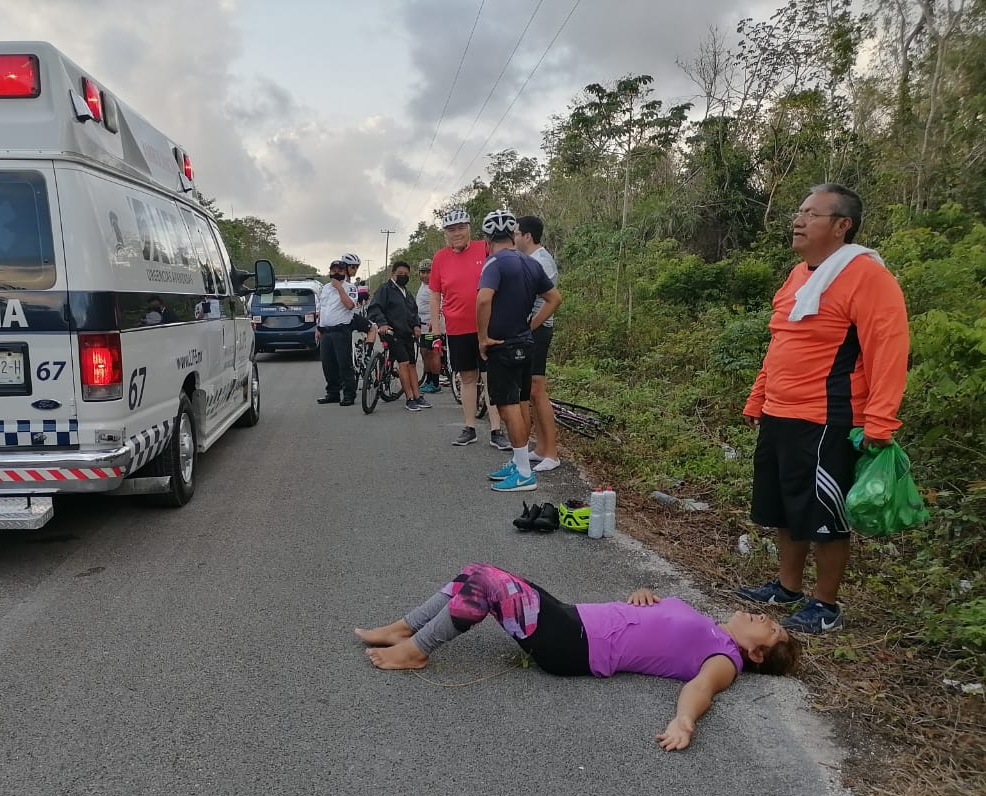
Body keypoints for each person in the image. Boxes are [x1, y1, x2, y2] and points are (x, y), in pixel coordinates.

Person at [356, 563, 800, 751]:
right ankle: (404, 627)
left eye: (771, 627)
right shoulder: (709, 626)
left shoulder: (726, 658)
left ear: (757, 654)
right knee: (477, 571)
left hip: (575, 646)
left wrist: (684, 722)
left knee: (490, 586)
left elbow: (701, 687)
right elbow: (662, 624)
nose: (764, 617)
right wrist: (647, 597)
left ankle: (414, 652)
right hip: (574, 618)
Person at [738, 183, 911, 634]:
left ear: (841, 225)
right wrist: (760, 395)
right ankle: (787, 587)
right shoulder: (800, 275)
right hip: (781, 412)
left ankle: (825, 604)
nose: (798, 220)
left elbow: (888, 350)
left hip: (828, 419)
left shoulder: (868, 276)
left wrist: (880, 420)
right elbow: (781, 340)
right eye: (799, 211)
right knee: (783, 506)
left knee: (824, 514)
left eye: (810, 213)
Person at [476, 209, 561, 493]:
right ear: (512, 235)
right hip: (526, 342)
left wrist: (483, 338)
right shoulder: (531, 263)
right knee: (521, 401)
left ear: (488, 239)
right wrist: (532, 324)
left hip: (503, 344)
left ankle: (524, 473)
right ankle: (518, 461)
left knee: (507, 406)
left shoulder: (494, 263)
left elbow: (483, 300)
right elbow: (554, 298)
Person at [428, 209, 508, 449]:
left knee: (490, 376)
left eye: (461, 228)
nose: (456, 234)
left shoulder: (484, 247)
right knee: (467, 377)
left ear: (469, 229)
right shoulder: (440, 258)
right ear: (445, 234)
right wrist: (436, 330)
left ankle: (496, 430)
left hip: (488, 325)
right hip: (456, 327)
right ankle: (469, 427)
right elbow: (435, 296)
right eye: (451, 230)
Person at [513, 215, 563, 472]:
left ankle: (552, 453)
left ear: (527, 236)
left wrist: (531, 325)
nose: (514, 237)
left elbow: (550, 301)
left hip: (539, 331)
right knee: (532, 391)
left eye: (516, 233)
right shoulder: (531, 259)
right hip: (531, 331)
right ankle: (542, 448)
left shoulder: (541, 261)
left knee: (537, 390)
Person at [368, 261, 430, 412]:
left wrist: (416, 325)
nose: (403, 277)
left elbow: (413, 312)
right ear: (393, 274)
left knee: (412, 364)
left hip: (407, 333)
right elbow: (374, 307)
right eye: (400, 274)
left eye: (406, 274)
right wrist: (382, 323)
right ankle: (409, 398)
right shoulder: (385, 289)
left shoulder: (407, 293)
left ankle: (417, 395)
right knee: (404, 362)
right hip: (391, 333)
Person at [315, 259, 359, 406]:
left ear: (344, 271)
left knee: (344, 364)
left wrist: (340, 288)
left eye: (339, 271)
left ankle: (349, 394)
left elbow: (349, 305)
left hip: (341, 331)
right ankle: (332, 393)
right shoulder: (325, 288)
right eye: (333, 271)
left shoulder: (350, 287)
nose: (336, 273)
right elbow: (323, 308)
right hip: (325, 331)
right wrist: (318, 327)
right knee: (328, 365)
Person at [414, 258, 442, 393]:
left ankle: (435, 383)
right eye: (422, 272)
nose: (425, 275)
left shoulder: (435, 286)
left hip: (432, 327)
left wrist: (435, 321)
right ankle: (428, 380)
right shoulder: (423, 286)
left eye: (428, 272)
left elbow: (441, 305)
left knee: (433, 354)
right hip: (423, 326)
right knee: (424, 353)